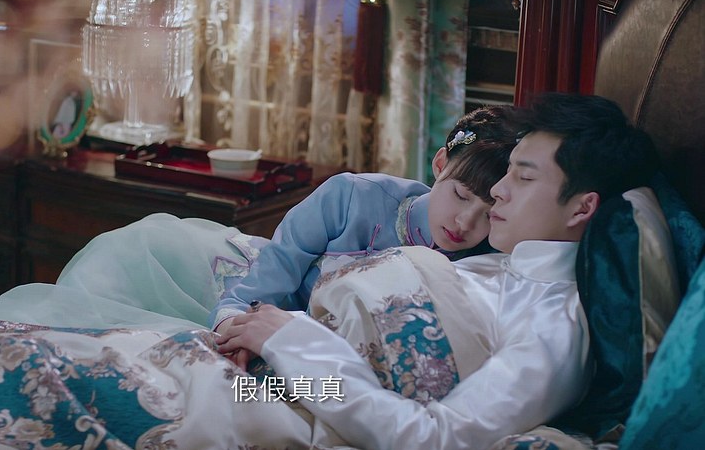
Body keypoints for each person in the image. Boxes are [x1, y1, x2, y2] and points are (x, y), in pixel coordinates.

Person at [215, 92, 660, 449]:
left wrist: (290, 340)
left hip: (300, 384)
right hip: (278, 363)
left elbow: (432, 437)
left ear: (582, 208)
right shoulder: (495, 259)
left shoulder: (554, 324)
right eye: (507, 174)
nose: (499, 191)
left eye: (523, 178)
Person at [211, 105, 522, 368]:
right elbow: (255, 291)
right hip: (278, 318)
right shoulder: (350, 197)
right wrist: (235, 335)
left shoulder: (490, 261)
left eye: (488, 214)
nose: (464, 223)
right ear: (440, 165)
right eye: (461, 195)